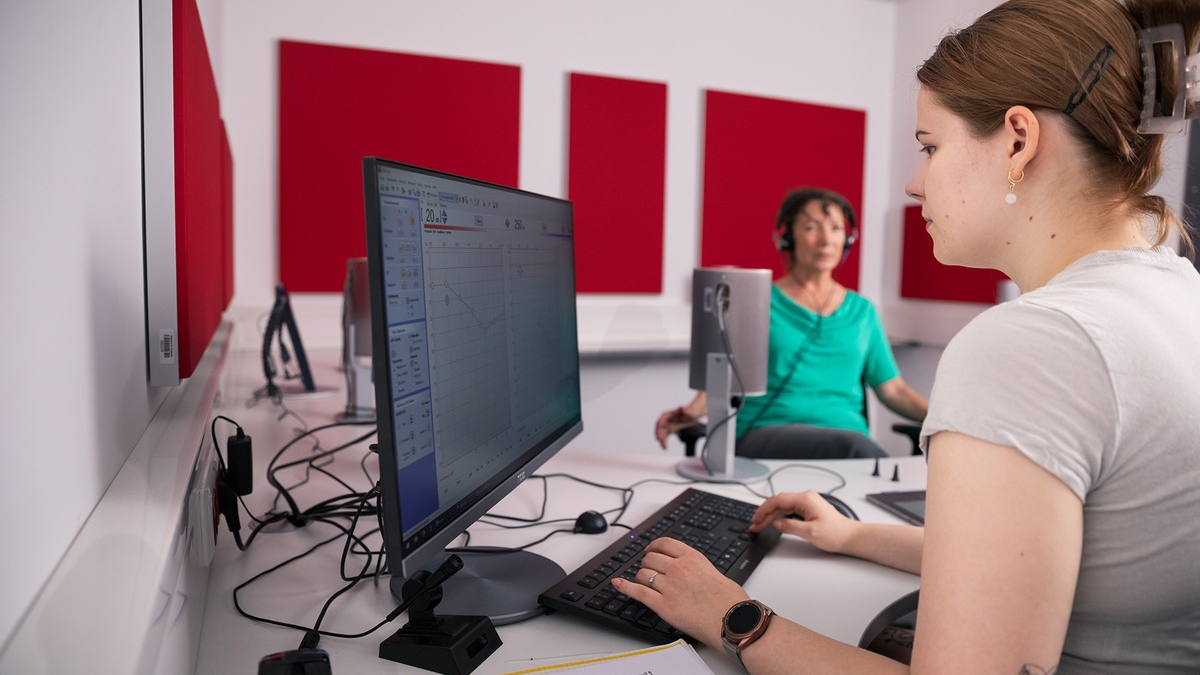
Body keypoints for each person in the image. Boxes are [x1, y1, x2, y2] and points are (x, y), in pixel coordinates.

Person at [616, 1, 1200, 673]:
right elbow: (1057, 560)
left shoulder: (1033, 344)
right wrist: (853, 533)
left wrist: (730, 613)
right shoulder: (1178, 293)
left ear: (1018, 140)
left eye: (930, 146)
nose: (914, 183)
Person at [654, 188, 928, 459]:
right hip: (766, 432)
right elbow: (725, 379)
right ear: (786, 239)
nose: (825, 240)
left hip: (848, 442)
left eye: (835, 228)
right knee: (858, 450)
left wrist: (947, 419)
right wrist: (692, 411)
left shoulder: (863, 311)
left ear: (847, 239)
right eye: (811, 227)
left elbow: (894, 390)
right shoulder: (758, 302)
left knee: (855, 449)